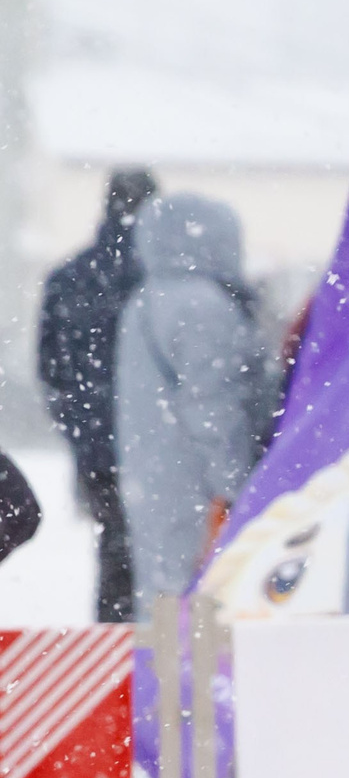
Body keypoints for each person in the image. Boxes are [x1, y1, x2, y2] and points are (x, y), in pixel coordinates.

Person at [113, 193, 267, 606]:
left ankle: (163, 667)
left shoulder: (143, 300)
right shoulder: (203, 306)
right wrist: (233, 488)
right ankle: (196, 671)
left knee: (162, 592)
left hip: (154, 477)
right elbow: (212, 408)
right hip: (197, 485)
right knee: (207, 595)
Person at [36, 166, 155, 621]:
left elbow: (49, 369)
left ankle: (113, 652)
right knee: (170, 559)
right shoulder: (158, 278)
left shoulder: (70, 277)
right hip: (162, 447)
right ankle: (169, 665)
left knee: (115, 552)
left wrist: (79, 428)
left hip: (98, 445)